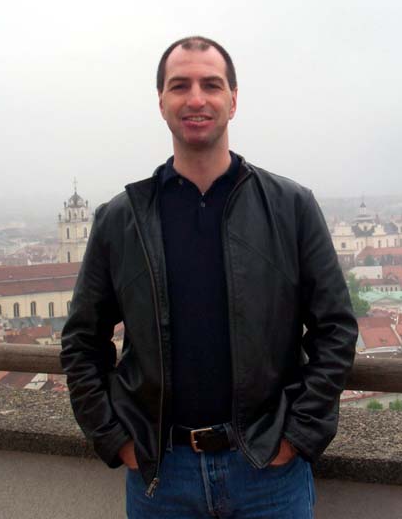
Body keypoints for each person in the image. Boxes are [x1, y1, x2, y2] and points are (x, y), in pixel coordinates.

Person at [60, 35, 357, 518]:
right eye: (180, 86)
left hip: (267, 471)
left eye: (211, 85)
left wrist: (298, 436)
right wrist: (115, 440)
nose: (196, 98)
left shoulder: (290, 206)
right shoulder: (123, 218)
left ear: (233, 100)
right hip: (163, 475)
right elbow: (82, 342)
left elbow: (336, 329)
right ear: (161, 102)